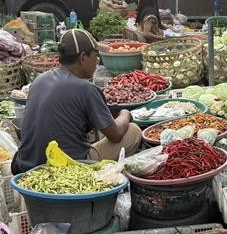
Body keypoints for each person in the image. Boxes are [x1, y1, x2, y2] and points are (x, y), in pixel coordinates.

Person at [12, 29, 142, 174]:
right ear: (83, 57)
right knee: (133, 131)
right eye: (95, 56)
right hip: (67, 169)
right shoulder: (87, 89)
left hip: (25, 165)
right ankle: (112, 178)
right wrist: (124, 114)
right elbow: (116, 135)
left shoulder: (39, 80)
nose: (97, 62)